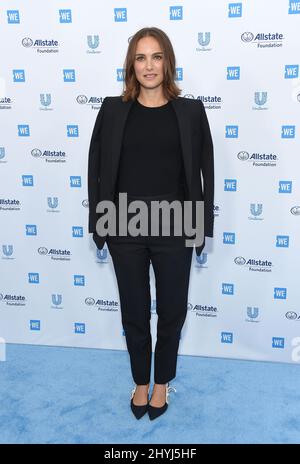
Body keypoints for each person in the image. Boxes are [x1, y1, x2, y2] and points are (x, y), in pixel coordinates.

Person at [87, 27, 214, 420]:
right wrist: (99, 222)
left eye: (156, 56)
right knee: (134, 311)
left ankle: (162, 384)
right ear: (131, 65)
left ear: (168, 62)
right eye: (141, 57)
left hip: (175, 227)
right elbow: (96, 167)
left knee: (172, 310)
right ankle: (140, 381)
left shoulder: (191, 111)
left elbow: (205, 171)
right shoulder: (112, 109)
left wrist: (201, 227)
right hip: (124, 225)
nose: (148, 65)